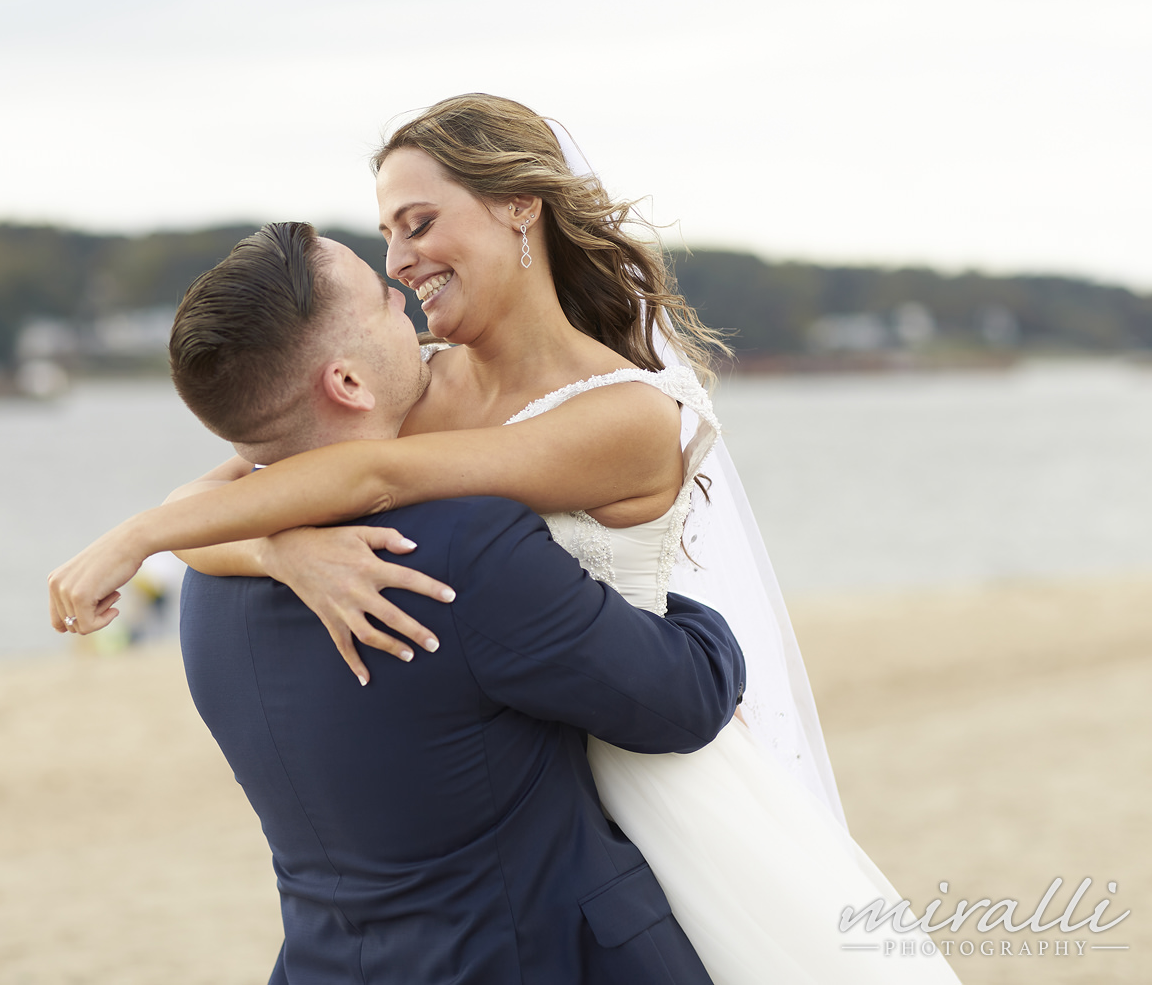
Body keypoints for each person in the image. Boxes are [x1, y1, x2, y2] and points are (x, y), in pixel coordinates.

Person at [49, 95, 960, 982]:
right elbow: (239, 487)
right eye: (388, 238)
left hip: (642, 752)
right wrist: (282, 549)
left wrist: (142, 537)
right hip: (509, 762)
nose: (401, 261)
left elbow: (371, 479)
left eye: (417, 222)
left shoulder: (628, 417)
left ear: (519, 206)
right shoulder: (418, 384)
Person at [163, 220, 746, 983]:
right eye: (383, 302)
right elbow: (684, 699)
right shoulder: (460, 549)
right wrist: (685, 612)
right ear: (346, 383)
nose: (405, 298)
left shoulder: (208, 587)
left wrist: (272, 544)